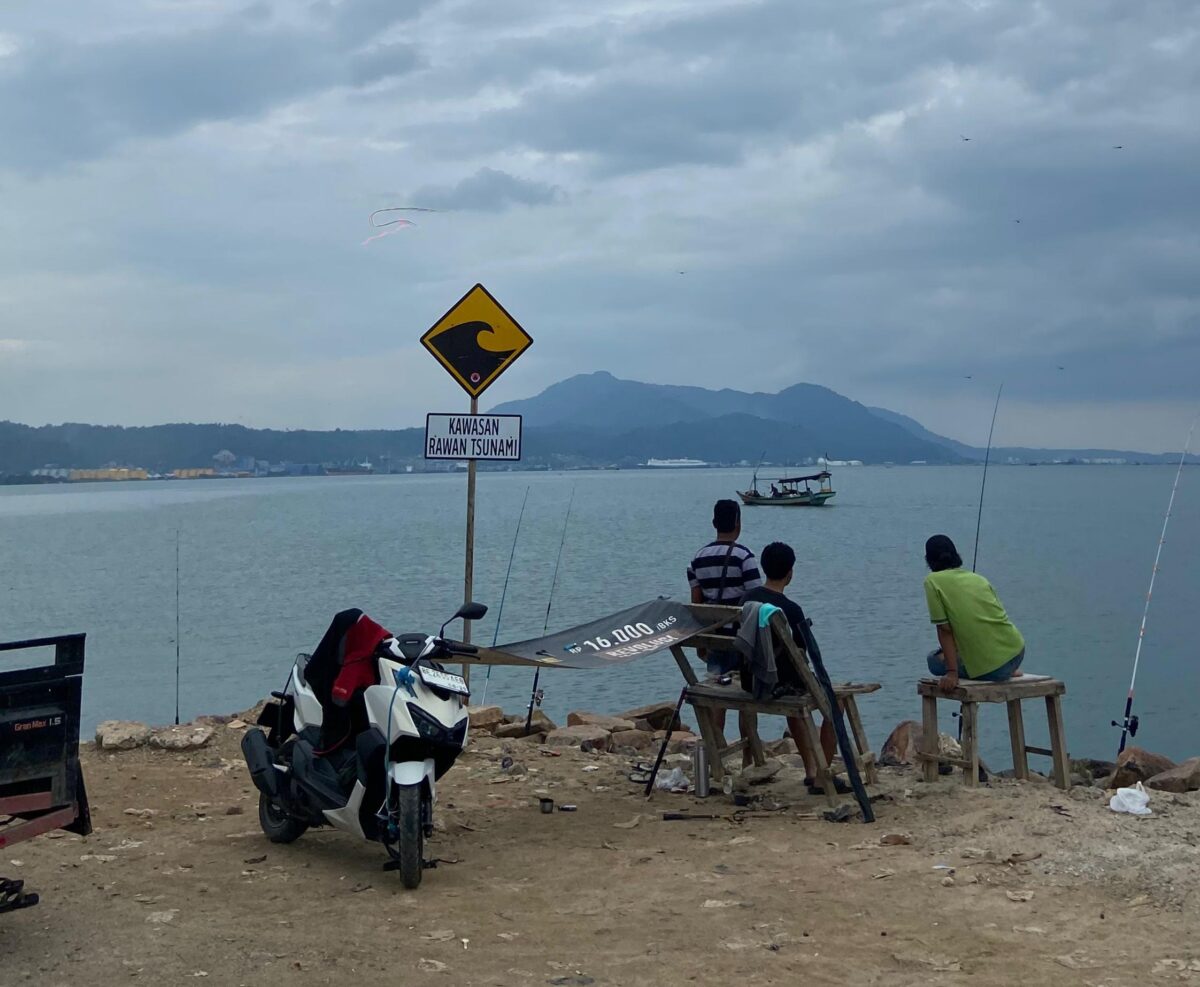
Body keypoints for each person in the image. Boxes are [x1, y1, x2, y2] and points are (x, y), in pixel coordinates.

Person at [743, 541, 848, 795]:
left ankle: (812, 771)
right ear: (790, 573)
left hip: (752, 680)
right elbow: (804, 654)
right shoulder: (790, 609)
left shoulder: (748, 599)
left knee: (799, 703)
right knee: (836, 704)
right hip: (781, 685)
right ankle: (822, 774)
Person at [687, 499, 761, 737]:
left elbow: (696, 604)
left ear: (714, 523)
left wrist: (701, 640)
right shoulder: (744, 557)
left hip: (715, 638)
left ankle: (716, 747)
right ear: (738, 523)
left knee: (718, 694)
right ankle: (750, 751)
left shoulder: (698, 559)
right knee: (746, 697)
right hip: (742, 639)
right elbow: (756, 601)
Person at [923, 534, 1026, 694]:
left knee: (933, 660)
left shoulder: (932, 581)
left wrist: (952, 673)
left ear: (928, 560)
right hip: (1016, 653)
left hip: (993, 669)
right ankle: (1006, 670)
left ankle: (996, 672)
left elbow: (944, 630)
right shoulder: (979, 579)